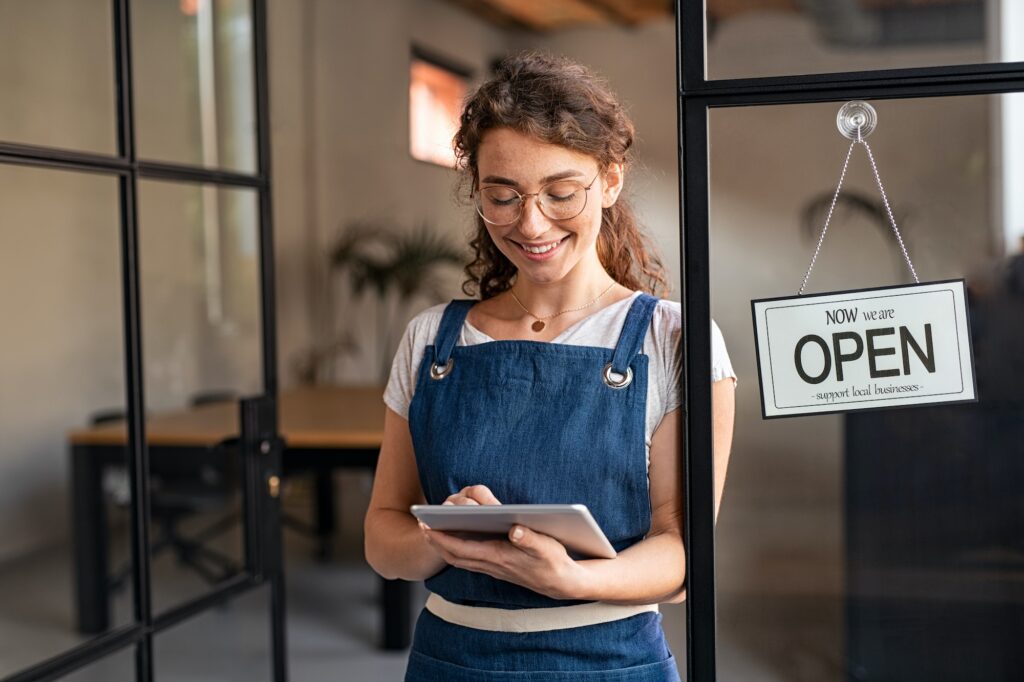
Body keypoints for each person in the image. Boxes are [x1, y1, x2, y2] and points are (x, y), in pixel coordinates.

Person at [364, 52, 736, 681]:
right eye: (502, 197)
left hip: (612, 662)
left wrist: (571, 578)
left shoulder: (672, 338)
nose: (531, 224)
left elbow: (680, 555)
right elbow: (382, 534)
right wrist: (443, 538)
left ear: (610, 181)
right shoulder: (432, 340)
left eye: (561, 193)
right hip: (449, 661)